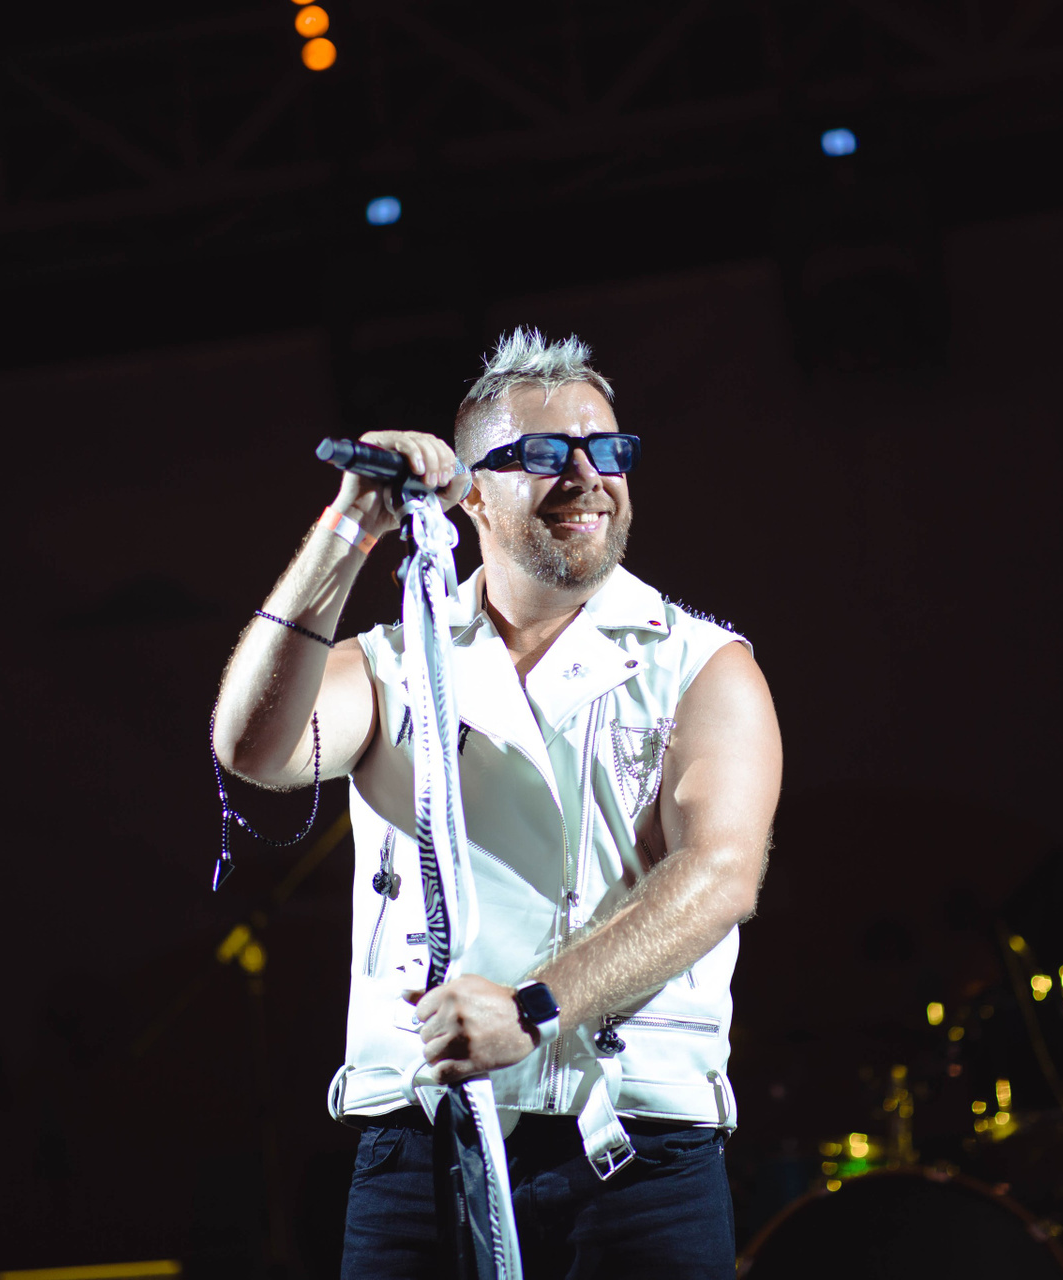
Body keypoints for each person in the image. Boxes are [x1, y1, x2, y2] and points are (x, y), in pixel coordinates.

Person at [212, 328, 781, 1278]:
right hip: (422, 1143)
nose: (587, 477)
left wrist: (535, 1009)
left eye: (608, 450)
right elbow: (251, 748)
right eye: (546, 454)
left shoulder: (701, 664)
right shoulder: (398, 659)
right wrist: (350, 527)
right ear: (472, 492)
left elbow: (719, 875)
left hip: (636, 1147)